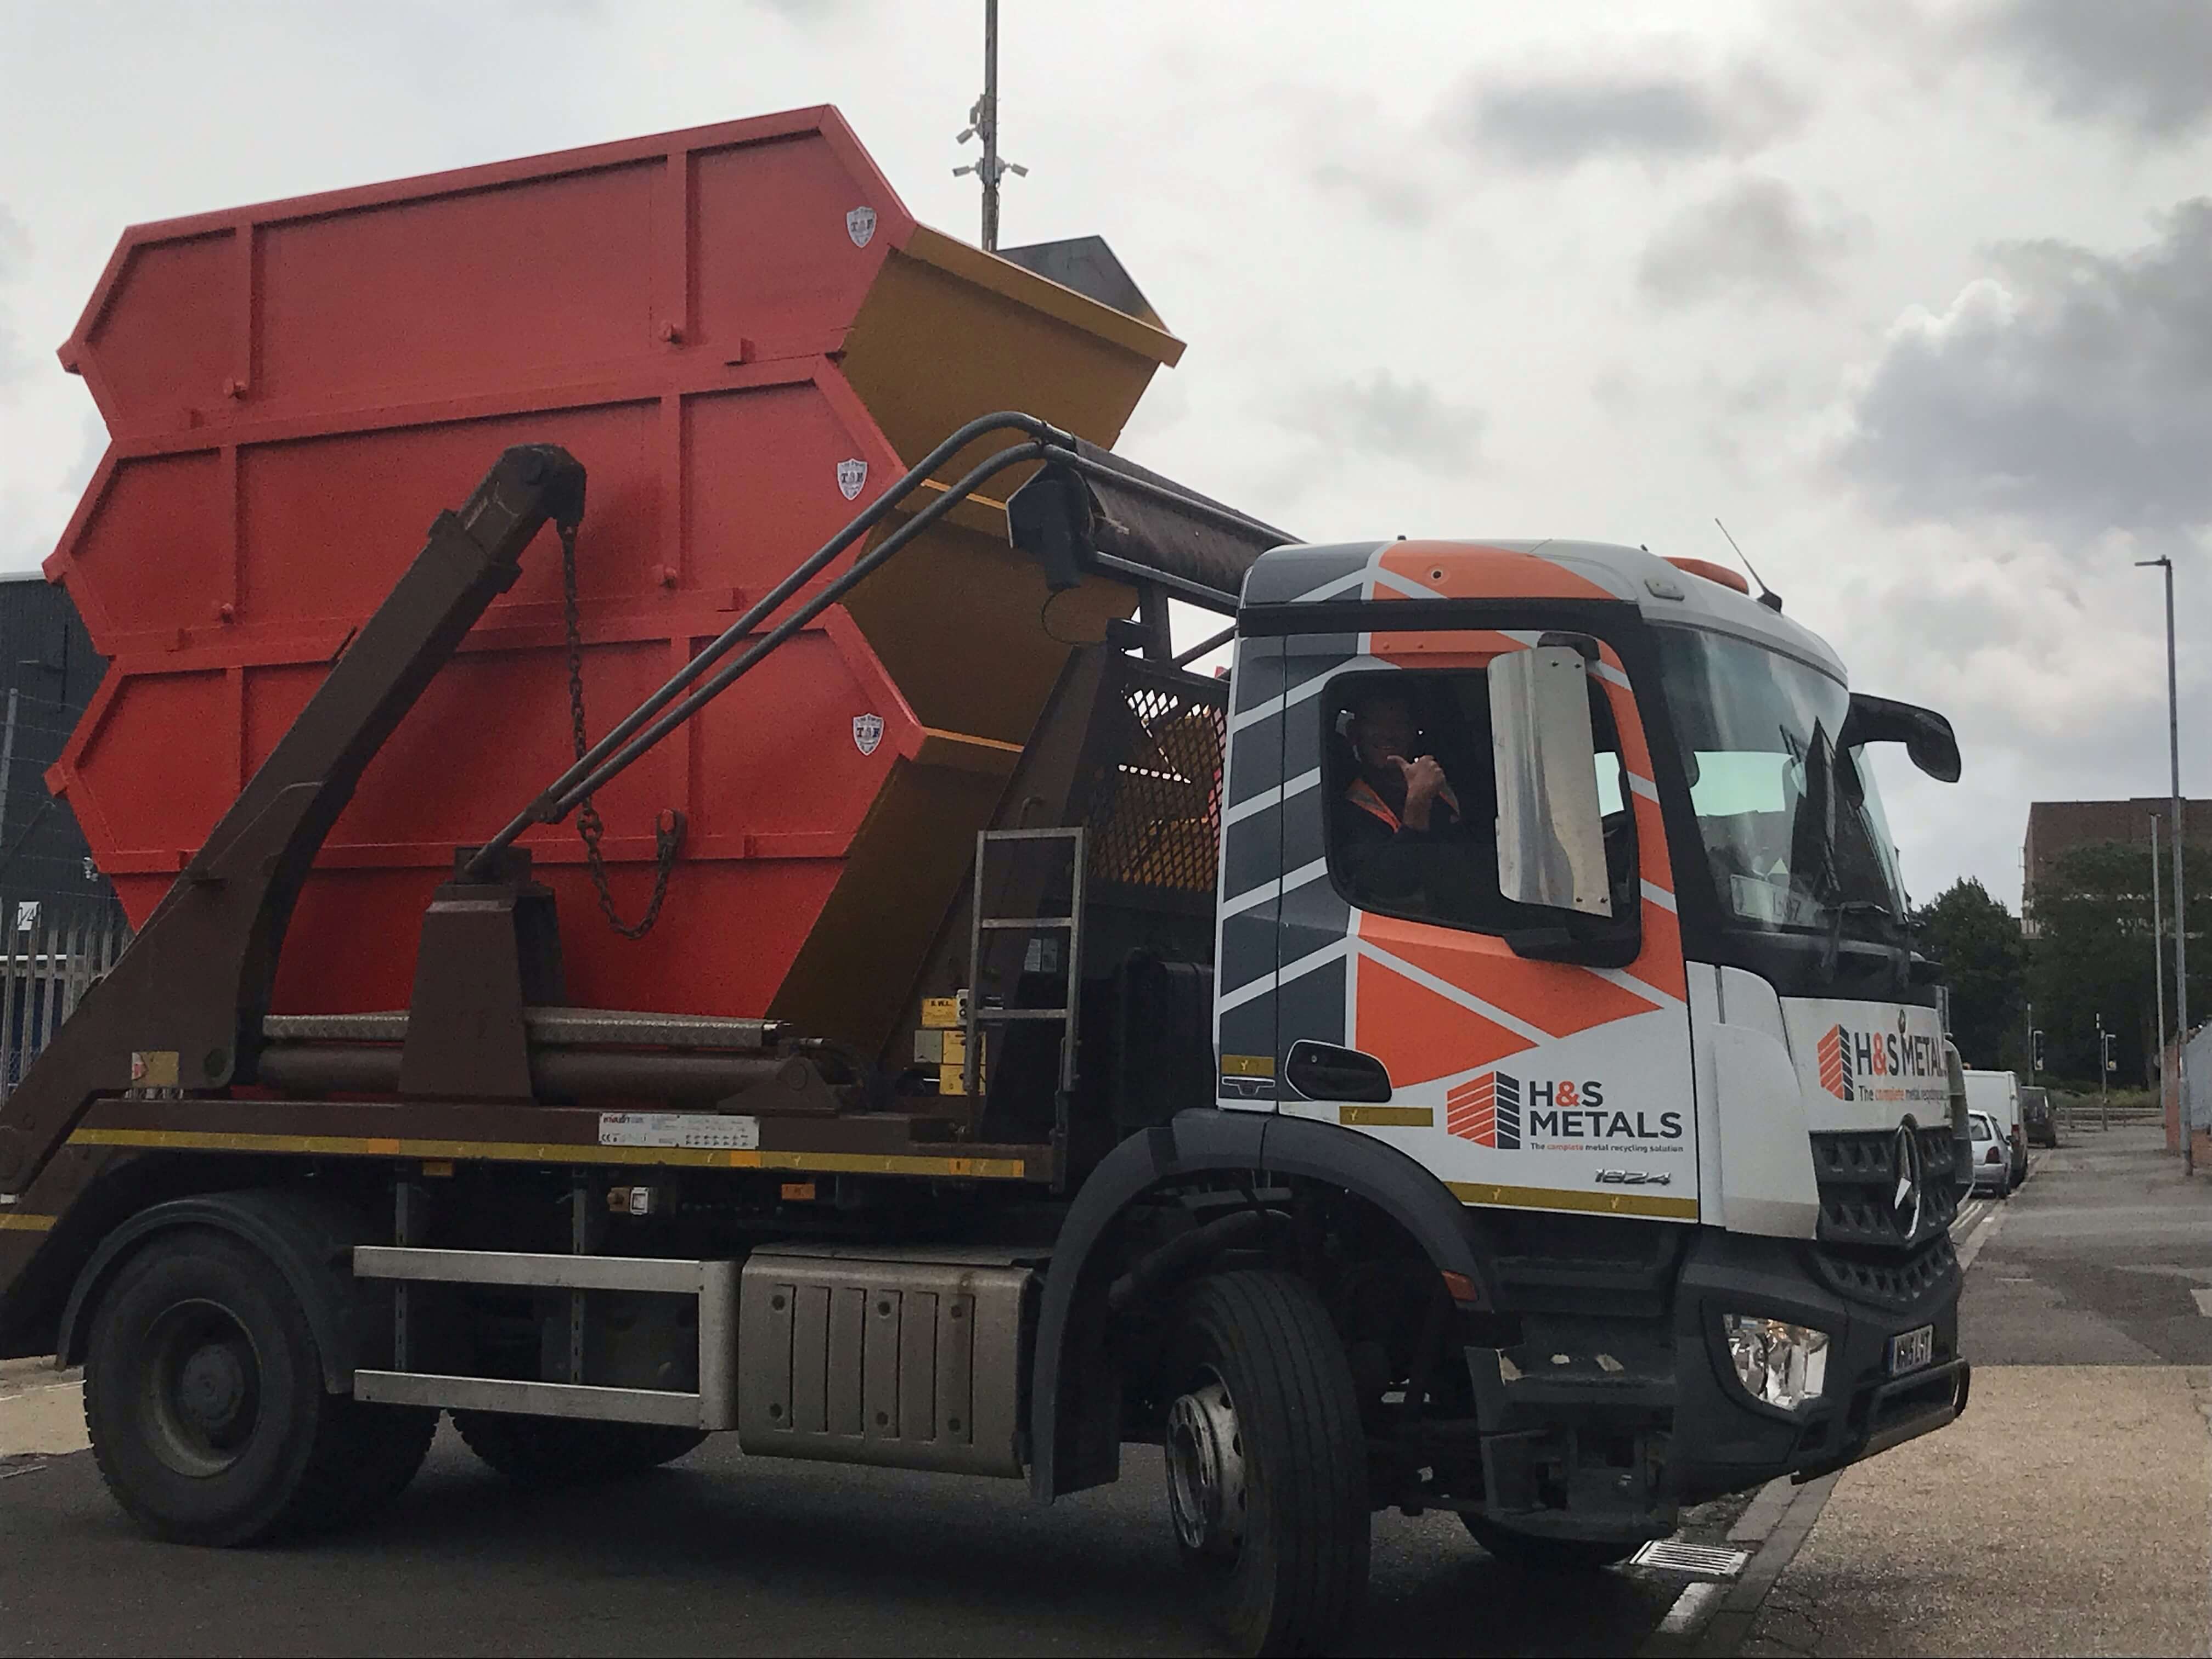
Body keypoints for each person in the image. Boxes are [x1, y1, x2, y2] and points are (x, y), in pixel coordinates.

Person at [1331, 687, 1469, 911]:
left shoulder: (1445, 782)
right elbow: (1385, 887)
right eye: (1375, 723)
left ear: (1414, 731)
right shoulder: (1347, 807)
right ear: (1354, 733)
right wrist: (1418, 805)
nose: (1387, 733)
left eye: (1398, 723)